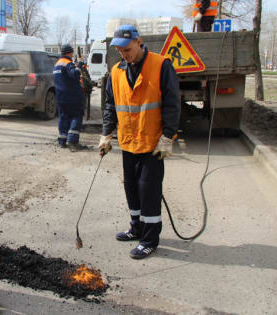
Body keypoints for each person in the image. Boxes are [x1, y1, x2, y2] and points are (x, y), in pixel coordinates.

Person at [98, 25, 181, 259]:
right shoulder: (116, 72)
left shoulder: (161, 65)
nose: (124, 54)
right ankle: (136, 227)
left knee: (149, 191)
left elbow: (172, 103)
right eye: (120, 50)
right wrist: (106, 134)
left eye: (128, 49)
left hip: (153, 143)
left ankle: (150, 239)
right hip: (128, 142)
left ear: (139, 42)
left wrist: (168, 136)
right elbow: (110, 106)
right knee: (131, 188)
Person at [53, 43, 85, 152]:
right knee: (76, 115)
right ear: (70, 52)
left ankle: (62, 140)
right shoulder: (68, 63)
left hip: (60, 97)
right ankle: (72, 140)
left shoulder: (57, 64)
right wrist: (79, 65)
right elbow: (75, 74)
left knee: (63, 117)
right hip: (72, 96)